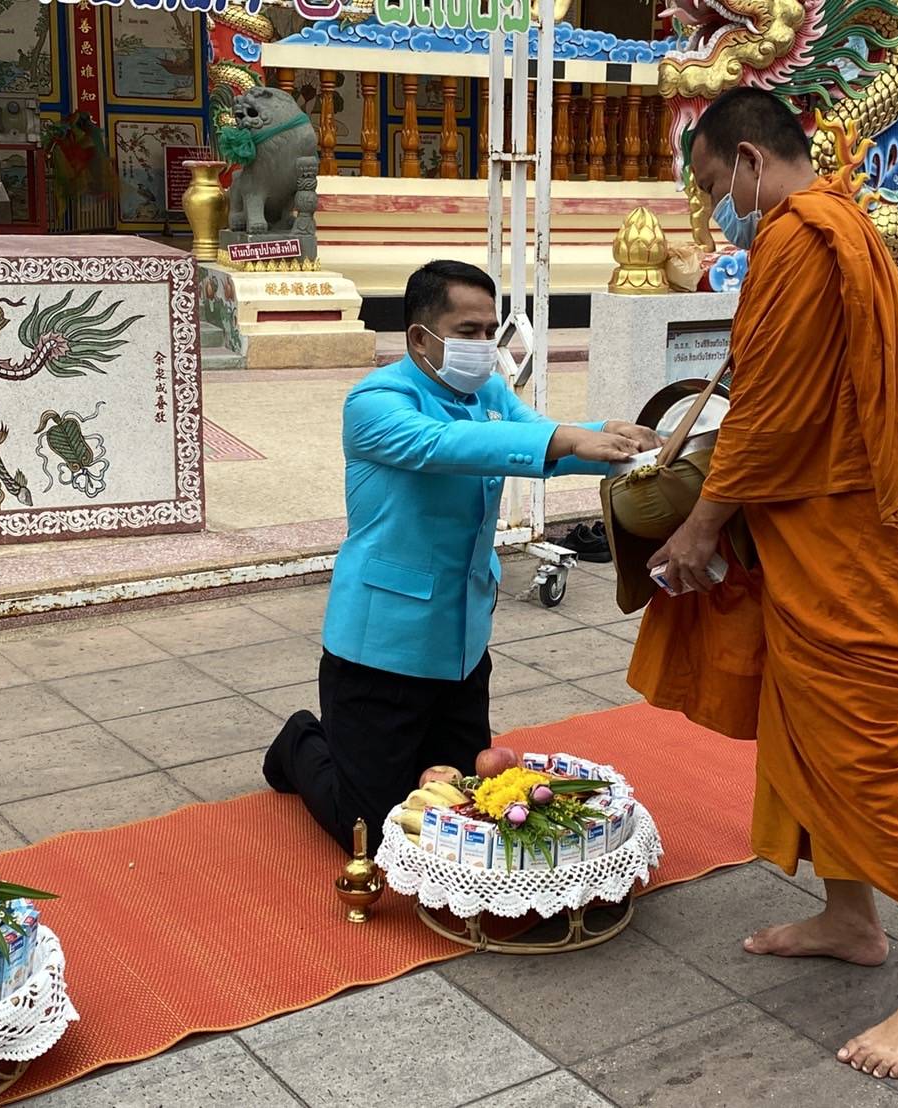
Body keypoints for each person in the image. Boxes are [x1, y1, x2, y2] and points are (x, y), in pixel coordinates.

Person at [627, 88, 898, 1079]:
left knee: (887, 764)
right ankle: (848, 918)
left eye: (714, 187)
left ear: (748, 160)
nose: (716, 210)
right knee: (805, 728)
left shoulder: (801, 236)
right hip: (826, 542)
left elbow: (772, 417)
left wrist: (701, 527)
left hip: (879, 562)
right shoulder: (831, 227)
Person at [263, 260, 658, 853]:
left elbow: (538, 434)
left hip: (460, 643)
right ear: (421, 338)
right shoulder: (376, 401)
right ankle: (300, 742)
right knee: (370, 828)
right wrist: (569, 439)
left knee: (462, 805)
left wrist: (614, 438)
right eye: (467, 331)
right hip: (380, 648)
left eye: (488, 331)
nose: (482, 345)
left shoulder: (489, 392)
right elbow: (444, 446)